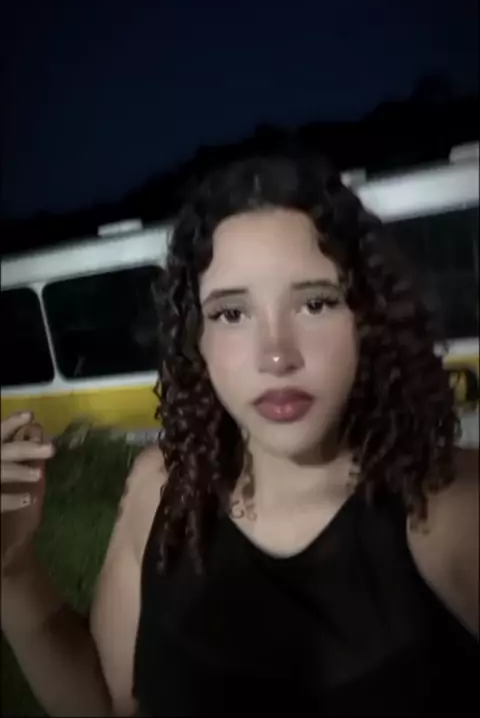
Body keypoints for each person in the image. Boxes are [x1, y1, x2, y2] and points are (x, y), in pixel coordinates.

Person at [1, 148, 478, 717]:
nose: (276, 355)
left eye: (316, 303)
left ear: (369, 320)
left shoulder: (448, 512)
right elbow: (105, 705)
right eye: (231, 314)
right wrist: (13, 572)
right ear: (195, 340)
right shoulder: (163, 490)